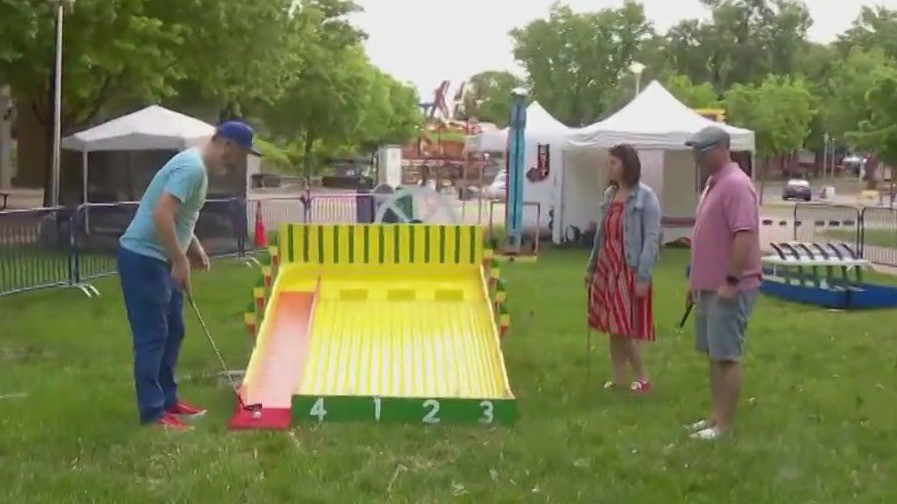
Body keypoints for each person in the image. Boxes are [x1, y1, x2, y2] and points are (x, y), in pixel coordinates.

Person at [117, 121, 260, 431]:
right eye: (240, 154)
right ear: (226, 146)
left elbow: (180, 216)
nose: (238, 162)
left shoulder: (198, 170)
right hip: (144, 258)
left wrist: (193, 247)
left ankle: (169, 402)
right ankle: (153, 413)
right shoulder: (192, 168)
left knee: (173, 329)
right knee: (153, 335)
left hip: (160, 257)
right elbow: (161, 213)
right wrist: (179, 260)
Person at [685, 126, 761, 440]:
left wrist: (731, 280)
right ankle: (715, 417)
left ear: (720, 148)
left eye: (701, 150)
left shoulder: (736, 185)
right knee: (714, 354)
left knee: (727, 355)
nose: (696, 157)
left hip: (729, 288)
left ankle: (725, 425)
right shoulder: (713, 185)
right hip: (707, 286)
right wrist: (694, 280)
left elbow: (744, 234)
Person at [585, 144, 662, 394]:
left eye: (614, 163)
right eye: (609, 162)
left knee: (623, 325)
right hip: (608, 266)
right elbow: (601, 234)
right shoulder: (610, 195)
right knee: (611, 324)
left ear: (627, 166)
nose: (610, 167)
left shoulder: (646, 197)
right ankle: (619, 377)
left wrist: (643, 275)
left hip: (628, 267)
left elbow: (652, 238)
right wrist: (592, 266)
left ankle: (642, 377)